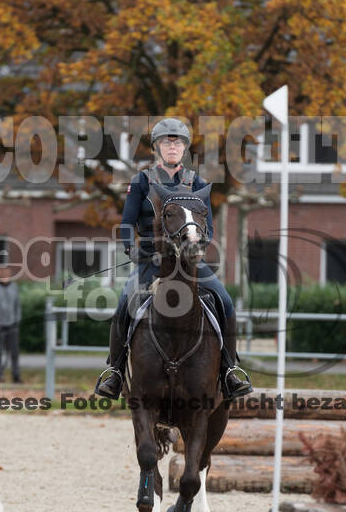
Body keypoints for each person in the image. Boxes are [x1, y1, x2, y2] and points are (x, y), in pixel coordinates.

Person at [97, 117, 253, 400]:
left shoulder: (197, 182)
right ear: (156, 147)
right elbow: (126, 222)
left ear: (184, 148)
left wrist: (200, 246)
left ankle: (229, 370)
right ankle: (115, 372)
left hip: (190, 261)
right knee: (124, 303)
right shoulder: (142, 181)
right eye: (166, 142)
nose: (172, 146)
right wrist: (131, 249)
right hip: (151, 261)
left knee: (226, 302)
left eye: (177, 142)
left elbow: (208, 226)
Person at [0, 263, 22, 383]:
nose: (4, 275)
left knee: (14, 352)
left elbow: (17, 305)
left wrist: (17, 320)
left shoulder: (14, 287)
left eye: (6, 272)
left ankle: (16, 376)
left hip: (12, 324)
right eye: (1, 272)